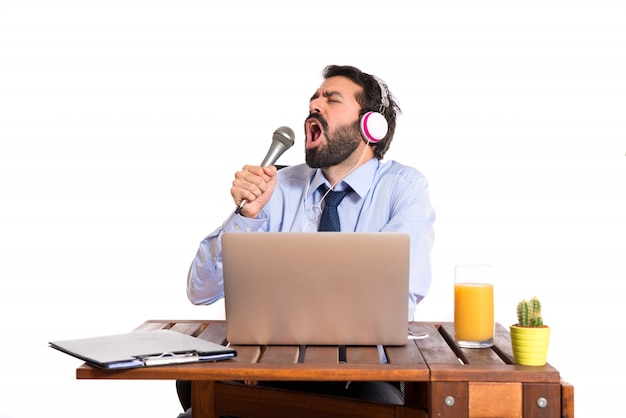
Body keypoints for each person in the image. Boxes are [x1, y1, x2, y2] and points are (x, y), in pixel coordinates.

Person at [176, 65, 436, 417]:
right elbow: (200, 290)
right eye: (314, 98)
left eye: (332, 99)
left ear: (370, 125)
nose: (315, 105)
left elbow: (398, 297)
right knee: (193, 385)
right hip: (268, 367)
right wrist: (247, 217)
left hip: (361, 375)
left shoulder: (403, 188)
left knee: (382, 406)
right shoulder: (276, 187)